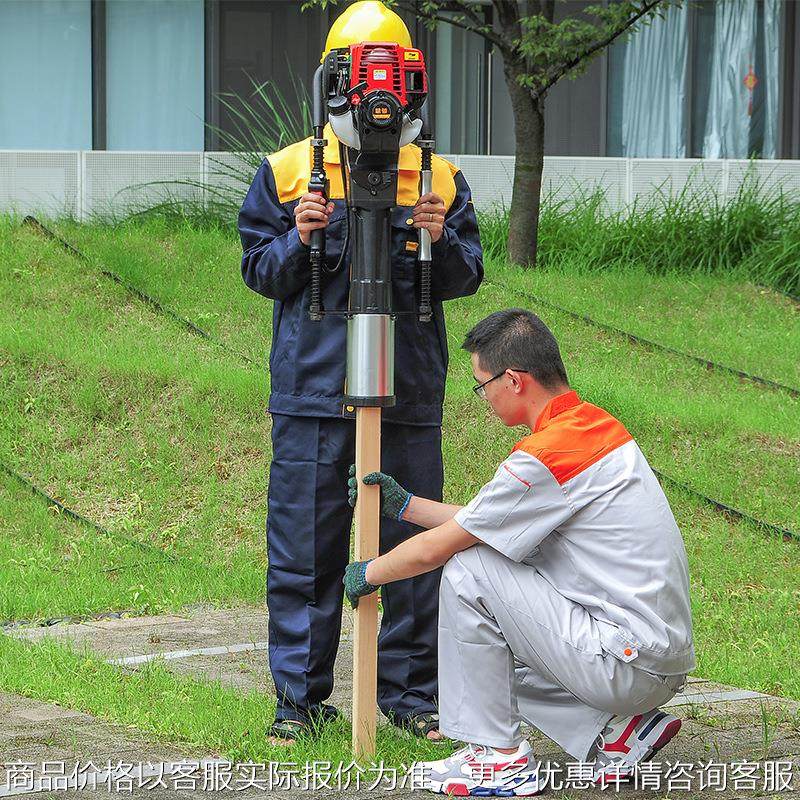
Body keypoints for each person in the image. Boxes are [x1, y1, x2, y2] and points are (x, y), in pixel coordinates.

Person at [238, 1, 484, 743]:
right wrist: (299, 237)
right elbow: (259, 269)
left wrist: (437, 241)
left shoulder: (438, 174)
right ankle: (299, 702)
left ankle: (408, 698)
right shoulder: (286, 172)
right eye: (360, 74)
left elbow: (467, 276)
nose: (378, 93)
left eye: (392, 75)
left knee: (412, 548)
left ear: (413, 83)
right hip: (313, 395)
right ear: (332, 81)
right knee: (305, 550)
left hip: (406, 391)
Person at [345, 308, 695, 796]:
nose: (483, 397)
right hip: (648, 658)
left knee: (470, 571)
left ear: (513, 380)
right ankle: (618, 732)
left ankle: (500, 760)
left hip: (624, 663)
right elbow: (487, 522)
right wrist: (408, 508)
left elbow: (445, 549)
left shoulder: (547, 457)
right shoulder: (591, 429)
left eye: (482, 385)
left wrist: (371, 572)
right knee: (475, 661)